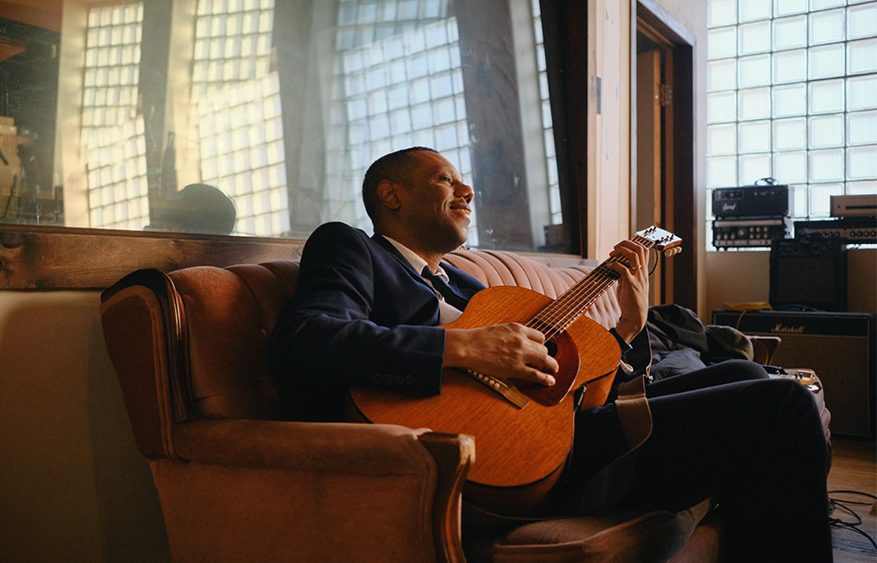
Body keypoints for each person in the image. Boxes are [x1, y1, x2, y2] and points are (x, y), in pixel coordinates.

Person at [268, 147, 832, 563]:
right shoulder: (352, 248)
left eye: (467, 184)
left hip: (563, 426)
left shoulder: (468, 288)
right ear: (390, 195)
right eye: (446, 180)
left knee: (741, 368)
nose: (467, 192)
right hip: (492, 448)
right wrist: (466, 345)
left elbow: (590, 381)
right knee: (783, 404)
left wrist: (633, 322)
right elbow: (304, 341)